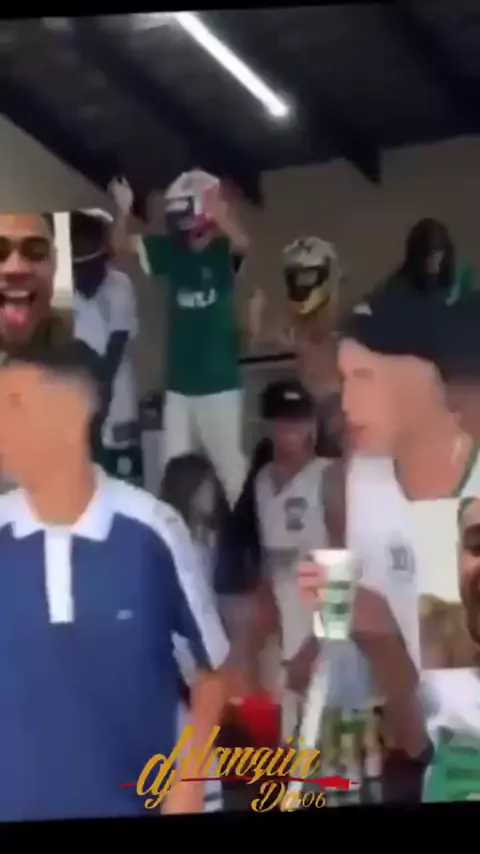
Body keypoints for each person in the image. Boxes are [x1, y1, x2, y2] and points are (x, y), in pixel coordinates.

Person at [0, 344, 230, 821]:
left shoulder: (152, 530)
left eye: (14, 404)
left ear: (73, 418)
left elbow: (211, 673)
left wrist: (190, 783)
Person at [297, 287, 480, 802]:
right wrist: (370, 629)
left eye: (365, 377)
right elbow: (425, 728)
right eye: (344, 379)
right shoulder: (368, 483)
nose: (346, 403)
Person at [109, 172, 252, 506]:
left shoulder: (222, 252)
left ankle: (244, 533)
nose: (187, 235)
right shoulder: (171, 251)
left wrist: (220, 211)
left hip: (219, 386)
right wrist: (123, 210)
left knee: (231, 471)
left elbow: (243, 244)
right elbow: (119, 245)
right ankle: (178, 534)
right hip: (179, 386)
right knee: (174, 474)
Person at [249, 379, 334, 739]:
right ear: (267, 426)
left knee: (329, 744)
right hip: (284, 643)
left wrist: (316, 647)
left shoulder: (329, 477)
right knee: (288, 745)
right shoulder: (261, 482)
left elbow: (346, 570)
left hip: (325, 641)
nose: (291, 431)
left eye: (298, 421)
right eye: (282, 421)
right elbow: (269, 567)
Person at [72, 209, 141, 484]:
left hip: (117, 397)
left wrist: (101, 394)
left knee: (122, 474)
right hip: (78, 397)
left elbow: (117, 343)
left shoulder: (119, 286)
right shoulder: (62, 294)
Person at [380, 218, 475, 304]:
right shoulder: (395, 288)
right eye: (428, 255)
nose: (434, 263)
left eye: (438, 254)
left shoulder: (458, 279)